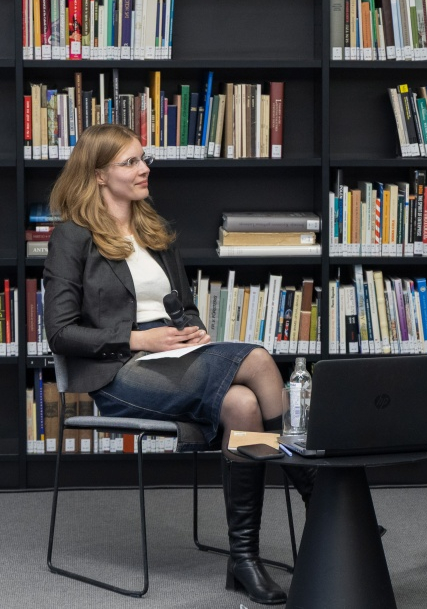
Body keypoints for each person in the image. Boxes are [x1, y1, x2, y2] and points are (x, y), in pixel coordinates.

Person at [43, 123, 309, 606]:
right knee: (258, 359)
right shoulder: (72, 237)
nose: (144, 169)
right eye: (130, 162)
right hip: (117, 373)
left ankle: (243, 559)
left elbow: (182, 307)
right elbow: (60, 332)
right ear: (99, 174)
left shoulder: (154, 231)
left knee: (243, 405)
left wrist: (193, 331)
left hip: (176, 359)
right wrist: (137, 338)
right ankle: (317, 492)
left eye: (143, 159)